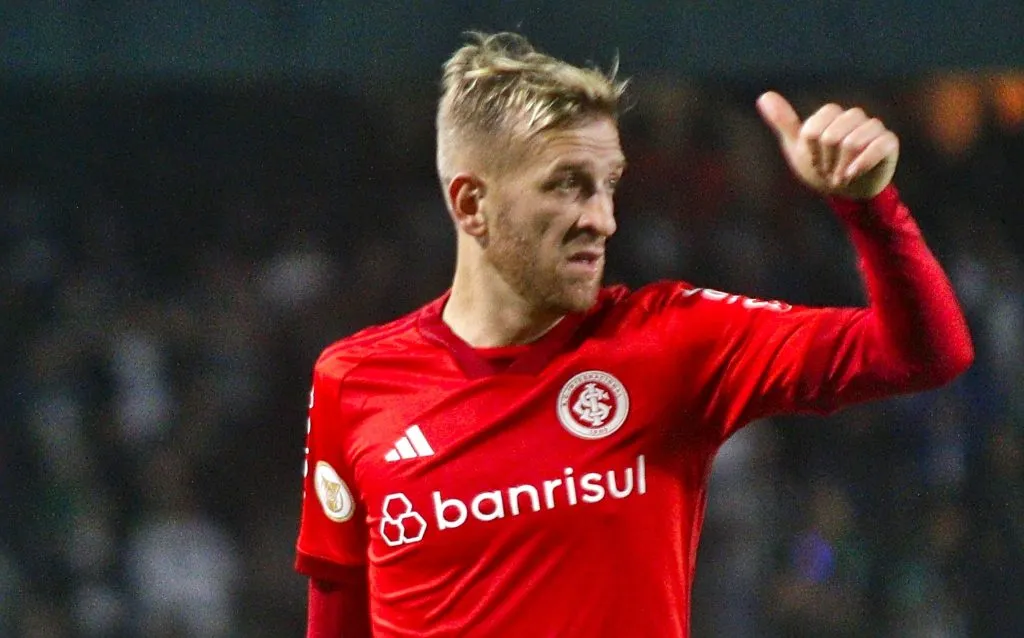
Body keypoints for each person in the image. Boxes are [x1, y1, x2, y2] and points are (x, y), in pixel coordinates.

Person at [294, 31, 974, 637]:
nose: (602, 218)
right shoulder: (354, 382)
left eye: (608, 185)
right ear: (472, 203)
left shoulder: (673, 339)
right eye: (567, 186)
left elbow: (924, 353)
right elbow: (336, 620)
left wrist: (869, 209)